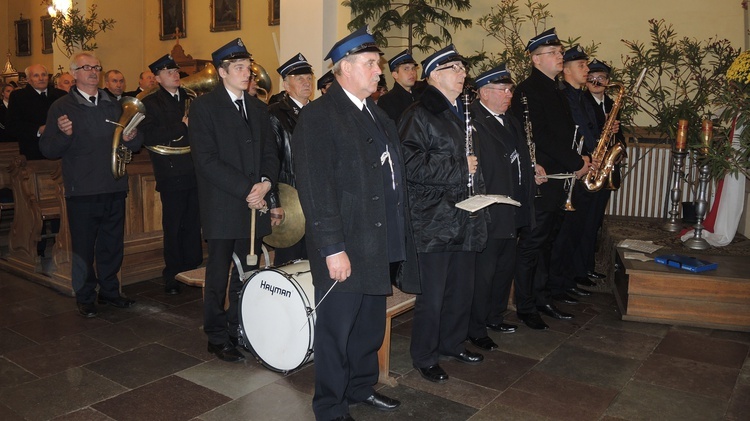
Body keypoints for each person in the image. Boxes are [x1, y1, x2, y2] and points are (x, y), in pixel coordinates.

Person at [292, 25, 420, 421]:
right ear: (344, 69)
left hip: (376, 241)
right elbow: (316, 190)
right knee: (336, 332)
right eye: (370, 64)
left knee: (367, 328)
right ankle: (330, 405)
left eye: (377, 64)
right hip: (345, 245)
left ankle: (361, 388)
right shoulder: (319, 117)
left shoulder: (377, 114)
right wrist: (333, 248)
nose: (378, 71)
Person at [400, 44, 487, 384]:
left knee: (460, 290)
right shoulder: (418, 114)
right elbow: (409, 164)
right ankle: (424, 355)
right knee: (432, 296)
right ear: (435, 74)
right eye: (455, 68)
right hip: (432, 218)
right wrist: (457, 166)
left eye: (463, 67)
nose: (463, 73)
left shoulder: (463, 111)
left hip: (465, 214)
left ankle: (452, 343)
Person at [189, 38, 279, 363]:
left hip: (255, 203)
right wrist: (249, 189)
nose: (247, 74)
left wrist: (266, 183)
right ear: (222, 72)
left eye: (248, 68)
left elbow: (271, 152)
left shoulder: (257, 106)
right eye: (239, 68)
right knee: (218, 273)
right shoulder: (203, 108)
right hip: (224, 204)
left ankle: (237, 326)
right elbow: (207, 161)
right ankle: (215, 334)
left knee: (248, 272)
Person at [40, 52, 143, 318]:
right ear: (74, 73)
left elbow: (134, 142)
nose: (93, 72)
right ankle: (85, 296)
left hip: (113, 185)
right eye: (86, 67)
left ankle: (110, 291)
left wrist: (131, 137)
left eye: (96, 67)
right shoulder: (61, 107)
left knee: (111, 244)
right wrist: (64, 135)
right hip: (82, 189)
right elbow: (48, 148)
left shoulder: (114, 103)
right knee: (84, 246)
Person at [510, 28, 591, 330]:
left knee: (547, 243)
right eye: (554, 53)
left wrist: (578, 161)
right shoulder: (528, 90)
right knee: (532, 244)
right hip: (543, 180)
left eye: (559, 52)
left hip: (560, 179)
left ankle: (542, 298)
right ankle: (525, 305)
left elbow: (565, 134)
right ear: (535, 58)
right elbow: (539, 137)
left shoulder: (554, 89)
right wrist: (574, 162)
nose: (560, 57)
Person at [467, 64, 542, 351]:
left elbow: (518, 158)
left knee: (503, 269)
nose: (509, 95)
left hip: (513, 207)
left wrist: (532, 172)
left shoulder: (509, 119)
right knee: (484, 273)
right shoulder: (474, 121)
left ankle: (494, 316)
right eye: (503, 90)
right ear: (484, 92)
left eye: (510, 90)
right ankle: (475, 327)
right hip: (491, 209)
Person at [139, 54, 203, 295]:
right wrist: (181, 126)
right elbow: (148, 135)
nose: (175, 74)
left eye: (175, 71)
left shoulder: (192, 98)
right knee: (174, 224)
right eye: (169, 72)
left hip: (194, 168)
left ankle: (192, 268)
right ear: (157, 78)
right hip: (170, 170)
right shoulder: (151, 103)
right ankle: (173, 274)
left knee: (193, 223)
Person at [547, 45, 599, 306]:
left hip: (587, 168)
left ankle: (567, 280)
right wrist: (581, 161)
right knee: (564, 234)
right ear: (566, 70)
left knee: (578, 231)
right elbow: (562, 138)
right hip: (572, 171)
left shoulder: (583, 97)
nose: (587, 70)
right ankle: (556, 285)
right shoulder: (563, 97)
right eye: (582, 65)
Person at [267, 53, 314, 264]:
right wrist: (273, 202)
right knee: (289, 260)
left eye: (309, 78)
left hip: (316, 196)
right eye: (299, 79)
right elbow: (270, 161)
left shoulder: (318, 111)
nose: (306, 83)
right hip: (290, 197)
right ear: (286, 84)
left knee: (314, 258)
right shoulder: (276, 114)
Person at [583, 58, 624, 281]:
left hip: (606, 168)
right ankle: (581, 268)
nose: (597, 81)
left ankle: (589, 265)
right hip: (591, 166)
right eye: (592, 78)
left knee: (596, 220)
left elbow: (621, 136)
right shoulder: (581, 103)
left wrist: (619, 147)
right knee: (585, 222)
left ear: (608, 81)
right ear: (586, 80)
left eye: (602, 78)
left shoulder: (611, 104)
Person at [7, 64, 66, 160]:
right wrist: (38, 129)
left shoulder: (60, 95)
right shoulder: (18, 97)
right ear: (28, 79)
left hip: (60, 149)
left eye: (44, 75)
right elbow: (12, 125)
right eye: (36, 75)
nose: (41, 78)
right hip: (33, 150)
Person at [377, 49, 419, 123]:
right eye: (406, 69)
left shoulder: (420, 96)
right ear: (395, 74)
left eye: (413, 69)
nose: (412, 72)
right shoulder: (387, 101)